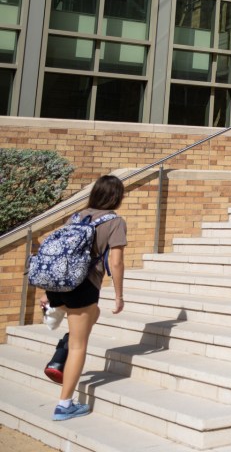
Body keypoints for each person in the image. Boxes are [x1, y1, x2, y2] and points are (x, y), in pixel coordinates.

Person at [39, 175, 127, 421]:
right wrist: (119, 295)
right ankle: (64, 405)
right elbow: (116, 262)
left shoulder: (76, 216)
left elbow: (56, 255)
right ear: (117, 197)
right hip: (83, 286)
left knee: (90, 317)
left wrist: (47, 291)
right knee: (79, 345)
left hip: (59, 285)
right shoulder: (115, 222)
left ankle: (59, 330)